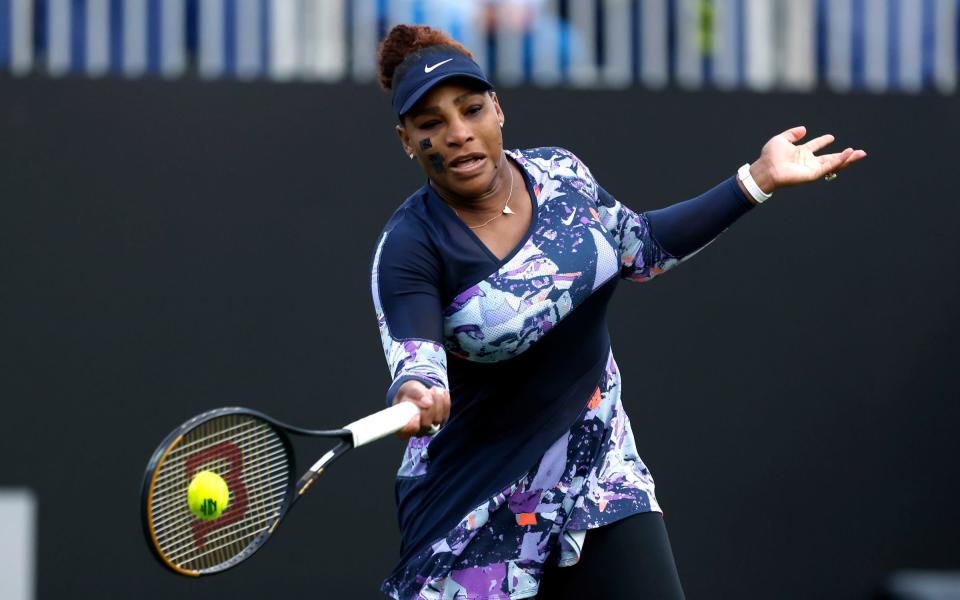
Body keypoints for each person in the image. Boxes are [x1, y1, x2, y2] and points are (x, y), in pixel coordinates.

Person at [369, 24, 865, 600]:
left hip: (597, 469)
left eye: (471, 109)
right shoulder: (409, 246)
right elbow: (415, 361)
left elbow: (640, 249)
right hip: (475, 504)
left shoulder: (561, 175)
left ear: (497, 110)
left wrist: (758, 180)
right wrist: (416, 394)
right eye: (431, 124)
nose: (457, 133)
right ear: (407, 139)